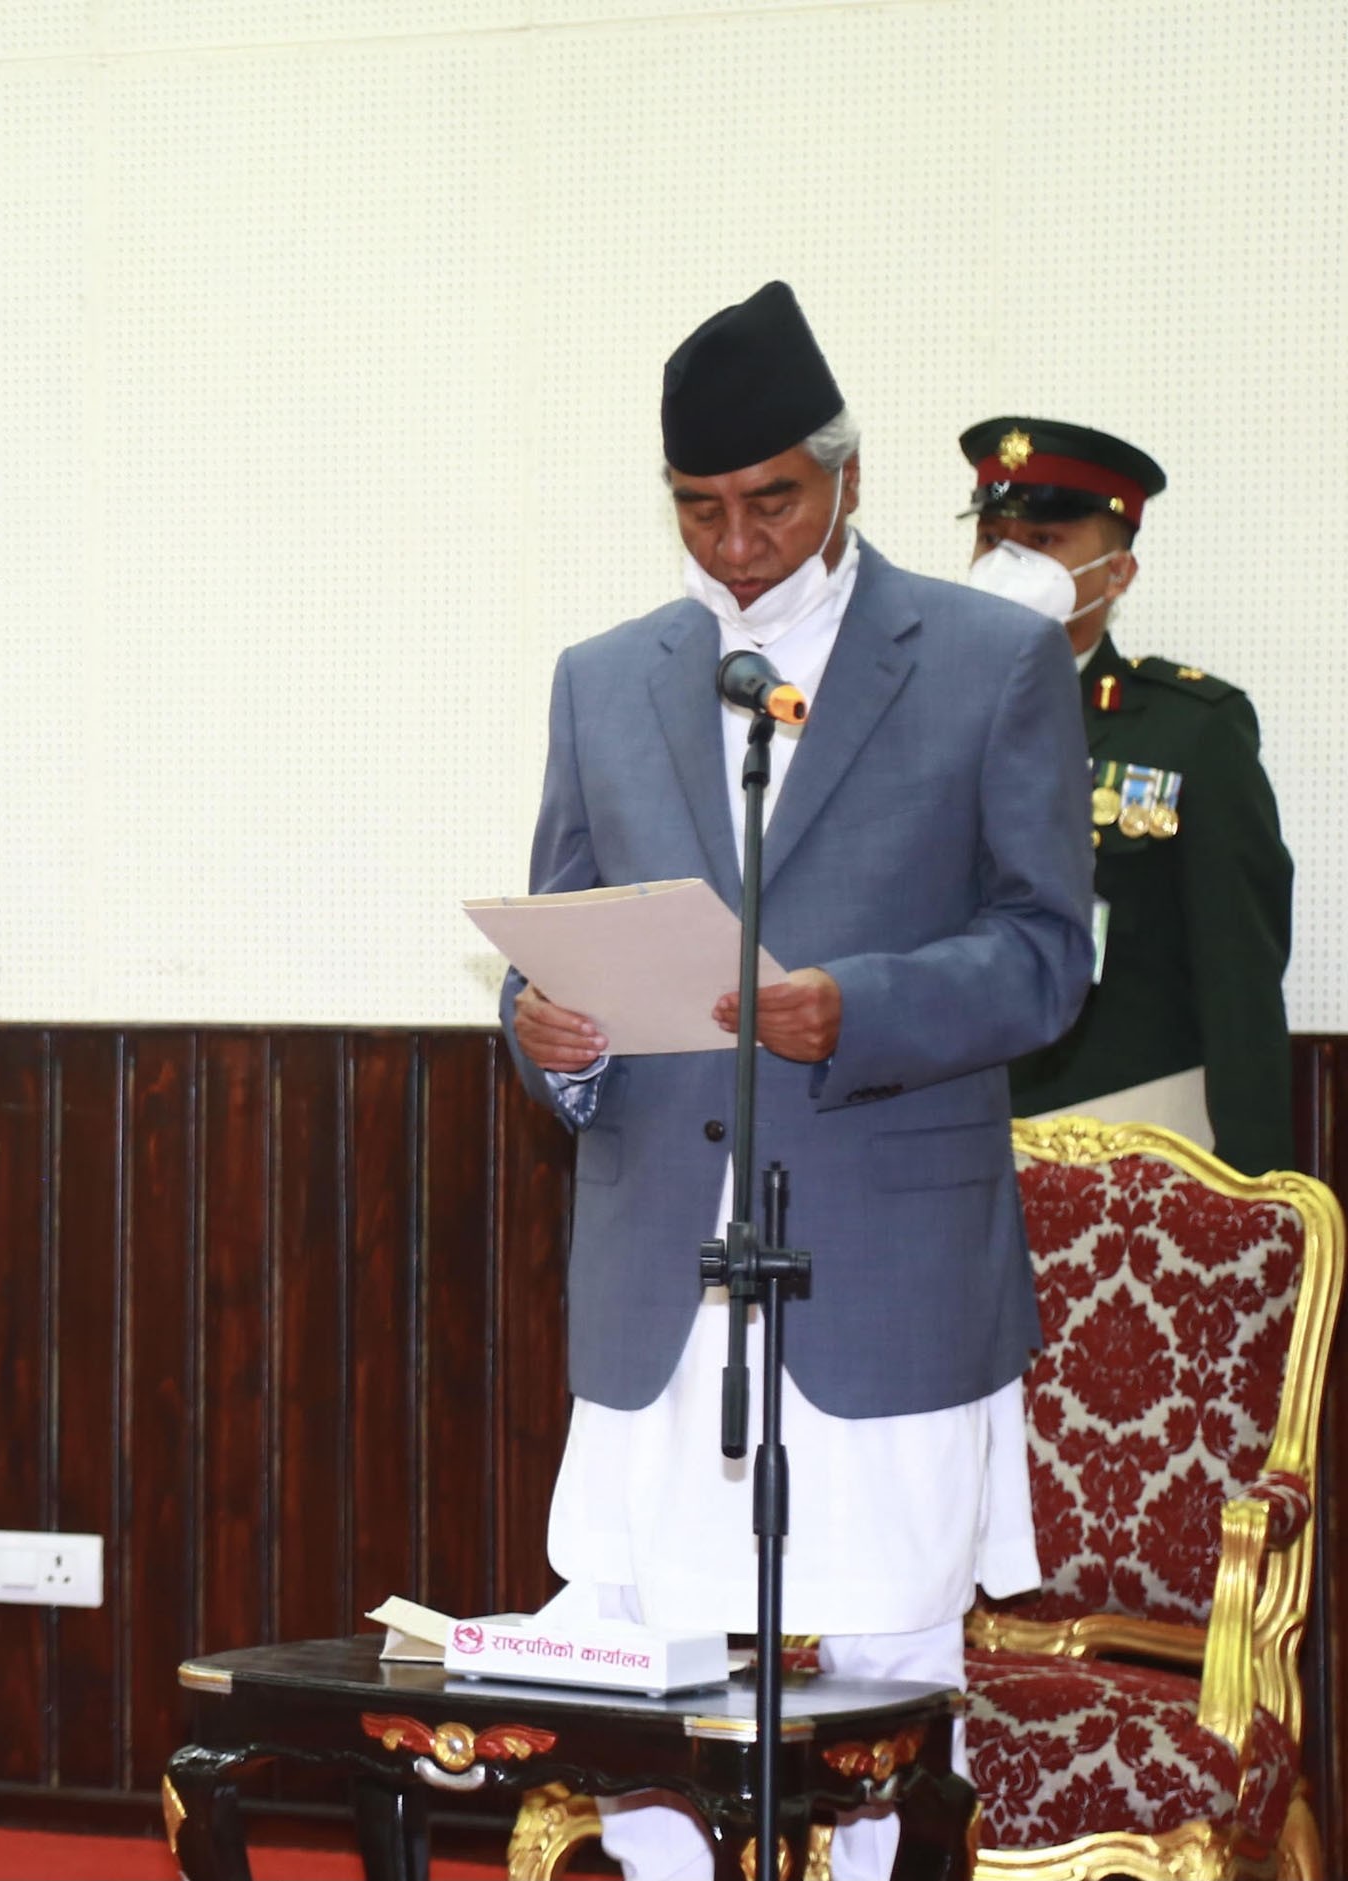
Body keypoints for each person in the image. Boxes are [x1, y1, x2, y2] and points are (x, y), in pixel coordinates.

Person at [500, 283, 1092, 1881]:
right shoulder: (606, 677)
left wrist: (863, 1008)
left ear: (846, 474)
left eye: (769, 501)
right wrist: (544, 1024)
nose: (737, 544)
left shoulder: (989, 659)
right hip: (658, 1279)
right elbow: (563, 935)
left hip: (886, 1271)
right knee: (645, 1689)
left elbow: (1049, 953)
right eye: (701, 509)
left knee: (890, 1690)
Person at [958, 418, 1295, 1172]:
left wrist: (1259, 1197)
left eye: (1042, 542)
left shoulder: (1190, 731)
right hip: (951, 1137)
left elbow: (1239, 978)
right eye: (991, 539)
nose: (1006, 564)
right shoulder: (922, 722)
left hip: (1135, 1136)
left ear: (1117, 574)